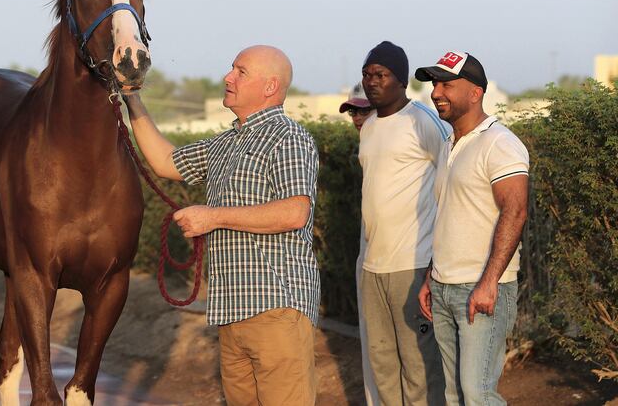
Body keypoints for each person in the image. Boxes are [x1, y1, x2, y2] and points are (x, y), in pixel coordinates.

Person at [123, 45, 321, 406]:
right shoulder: (225, 143)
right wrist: (132, 99)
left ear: (270, 86)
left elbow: (295, 212)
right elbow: (166, 161)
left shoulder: (289, 138)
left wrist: (211, 216)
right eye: (232, 69)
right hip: (232, 312)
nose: (228, 77)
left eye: (240, 71)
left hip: (275, 309)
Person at [415, 51, 529, 406]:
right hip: (445, 286)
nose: (436, 91)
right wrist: (431, 276)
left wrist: (489, 281)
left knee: (478, 393)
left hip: (480, 289)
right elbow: (452, 217)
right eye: (435, 83)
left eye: (447, 83)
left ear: (476, 92)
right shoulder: (452, 144)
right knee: (453, 393)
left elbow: (516, 210)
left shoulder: (500, 143)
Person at [358, 41, 447, 406]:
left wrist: (435, 263)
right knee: (381, 365)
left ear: (401, 79)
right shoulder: (368, 127)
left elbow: (450, 187)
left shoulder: (424, 122)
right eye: (366, 74)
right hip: (372, 267)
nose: (371, 81)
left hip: (413, 264)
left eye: (381, 74)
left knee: (419, 367)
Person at [338, 83, 380, 405]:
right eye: (353, 110)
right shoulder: (366, 147)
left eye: (364, 109)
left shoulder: (416, 130)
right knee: (373, 347)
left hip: (408, 261)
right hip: (370, 256)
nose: (357, 116)